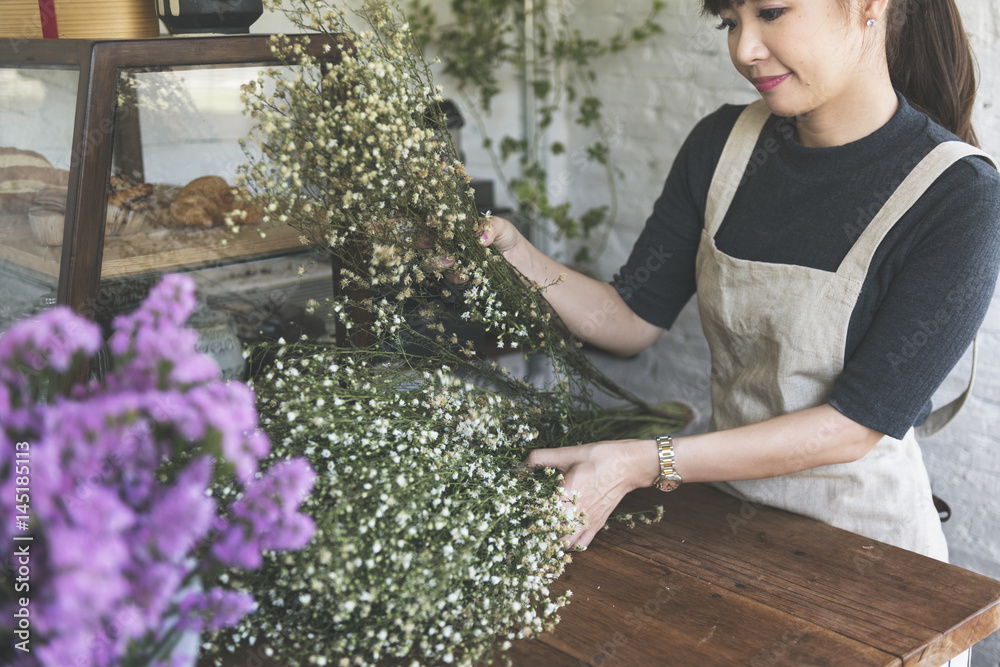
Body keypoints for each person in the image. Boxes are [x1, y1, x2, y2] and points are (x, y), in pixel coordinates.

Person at [466, 0, 1000, 583]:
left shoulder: (960, 196)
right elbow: (629, 320)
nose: (743, 50)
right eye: (729, 22)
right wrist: (512, 254)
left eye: (771, 13)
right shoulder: (722, 144)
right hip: (723, 524)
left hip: (866, 550)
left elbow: (854, 425)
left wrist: (643, 462)